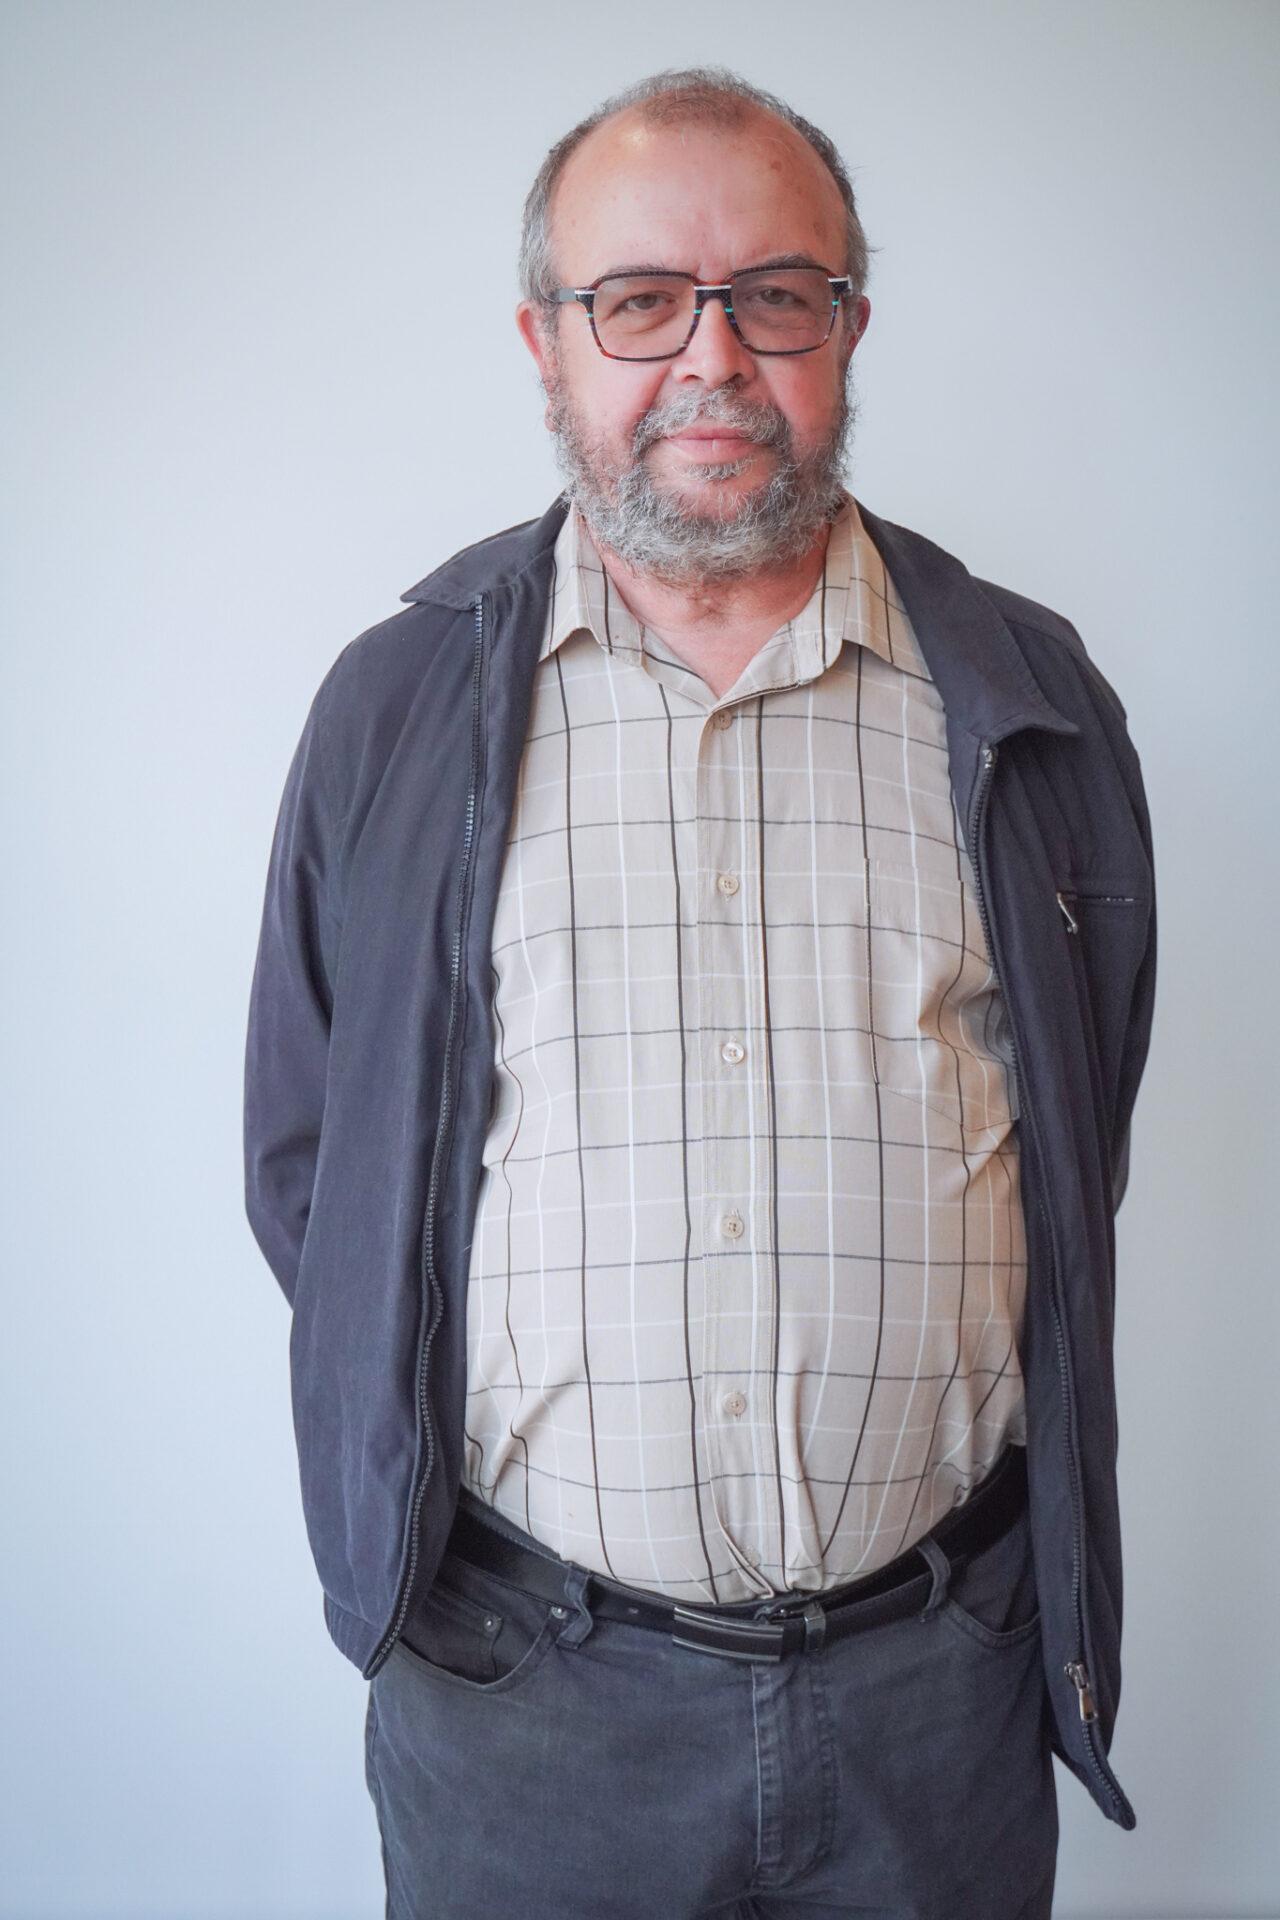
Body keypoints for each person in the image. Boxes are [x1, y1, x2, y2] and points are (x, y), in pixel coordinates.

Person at [245, 68, 1155, 1920]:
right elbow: (315, 1176)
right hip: (528, 1707)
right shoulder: (393, 709)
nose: (712, 358)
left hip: (939, 1697)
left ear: (849, 326)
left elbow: (1082, 1121)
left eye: (776, 297)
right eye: (642, 301)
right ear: (547, 342)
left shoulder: (1032, 698)